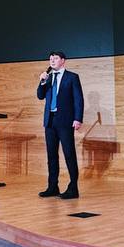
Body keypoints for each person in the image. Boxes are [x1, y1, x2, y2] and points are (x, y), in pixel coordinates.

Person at [36, 50, 84, 199]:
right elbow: (40, 95)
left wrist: (78, 119)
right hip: (50, 121)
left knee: (69, 154)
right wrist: (42, 81)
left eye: (55, 58)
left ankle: (73, 188)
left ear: (63, 60)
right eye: (50, 59)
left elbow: (78, 99)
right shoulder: (48, 78)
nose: (52, 61)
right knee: (51, 155)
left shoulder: (72, 77)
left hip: (65, 121)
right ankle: (52, 186)